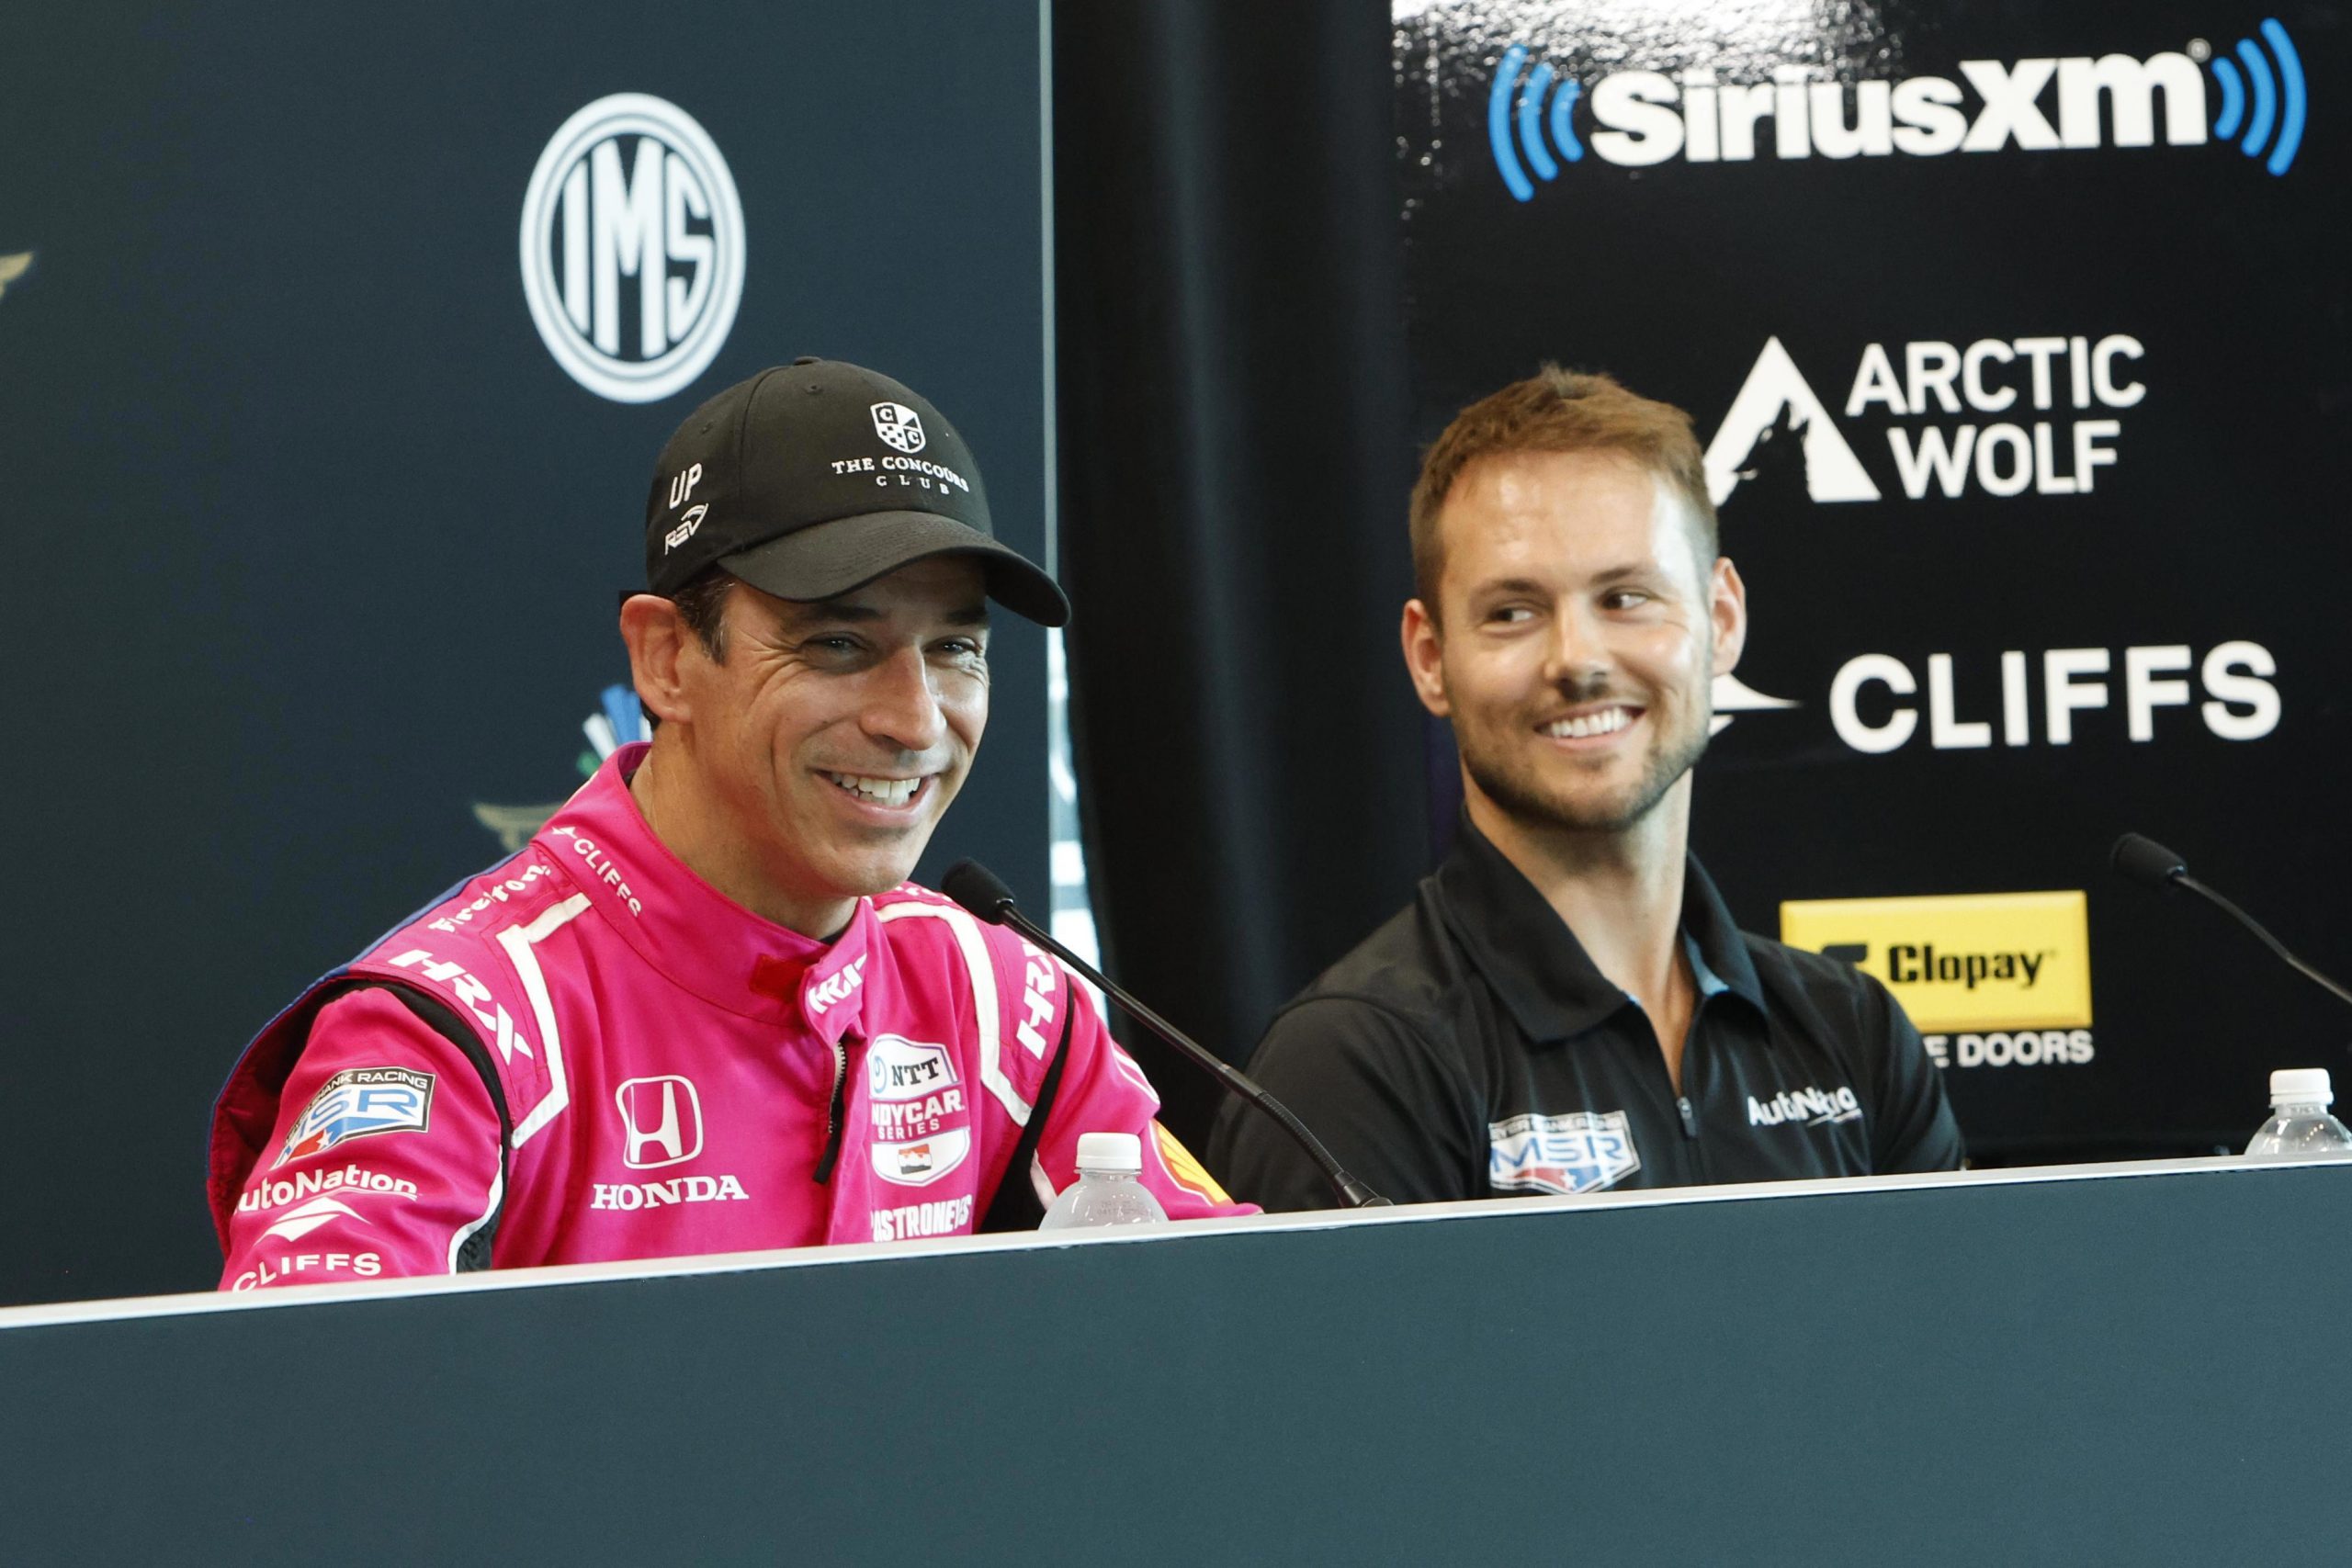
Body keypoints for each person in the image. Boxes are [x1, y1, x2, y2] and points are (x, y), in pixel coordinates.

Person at [210, 359, 1247, 1291]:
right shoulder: (456, 1032)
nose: (916, 721)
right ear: (666, 660)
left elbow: (1236, 1333)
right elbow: (304, 1411)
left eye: (954, 650)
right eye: (838, 644)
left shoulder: (1001, 1000)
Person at [1208, 367, 1962, 1210]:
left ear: (1721, 619)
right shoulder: (1353, 1065)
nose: (1578, 659)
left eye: (1627, 597)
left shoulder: (1855, 1034)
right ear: (1430, 657)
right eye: (1513, 612)